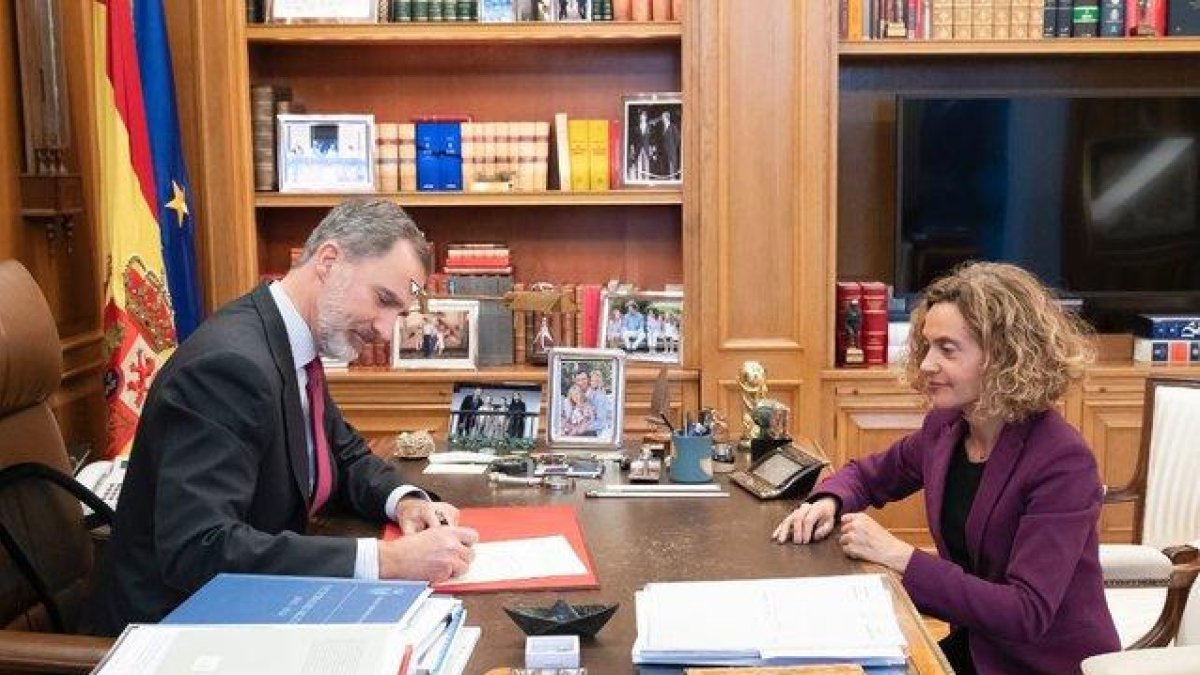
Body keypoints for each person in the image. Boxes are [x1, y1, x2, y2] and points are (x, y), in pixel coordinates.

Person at [85, 199, 479, 636]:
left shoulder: (292, 344)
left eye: (399, 313)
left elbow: (344, 455)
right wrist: (386, 560)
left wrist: (405, 500)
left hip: (254, 607)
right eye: (382, 300)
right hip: (176, 629)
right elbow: (199, 548)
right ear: (329, 261)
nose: (385, 331)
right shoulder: (229, 366)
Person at [771, 262, 1118, 675]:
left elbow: (1025, 613)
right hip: (976, 647)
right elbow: (868, 475)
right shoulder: (947, 428)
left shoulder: (1062, 461)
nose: (926, 364)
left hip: (1038, 665)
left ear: (1004, 357)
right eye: (927, 346)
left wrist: (900, 556)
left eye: (947, 350)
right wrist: (829, 500)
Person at [654, 110, 681, 180]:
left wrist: (673, 148)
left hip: (671, 151)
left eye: (663, 117)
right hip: (664, 152)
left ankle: (673, 179)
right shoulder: (662, 128)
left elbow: (677, 138)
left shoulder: (673, 127)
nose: (662, 119)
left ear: (667, 118)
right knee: (666, 167)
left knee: (672, 167)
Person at [628, 109, 652, 181]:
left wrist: (651, 148)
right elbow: (633, 139)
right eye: (641, 116)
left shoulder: (649, 127)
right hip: (638, 148)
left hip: (646, 148)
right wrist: (632, 148)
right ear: (640, 118)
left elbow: (652, 139)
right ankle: (639, 180)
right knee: (639, 164)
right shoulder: (636, 127)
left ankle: (646, 179)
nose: (642, 117)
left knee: (646, 164)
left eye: (643, 116)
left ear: (646, 117)